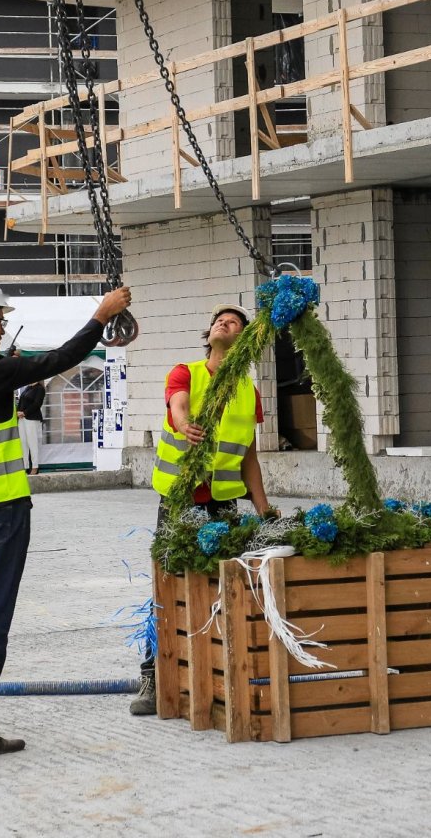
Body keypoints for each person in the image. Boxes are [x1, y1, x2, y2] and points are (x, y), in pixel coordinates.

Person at [0, 277, 132, 759]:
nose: (1, 330)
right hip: (0, 510)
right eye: (0, 321)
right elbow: (61, 358)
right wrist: (101, 315)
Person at [133, 303, 271, 716]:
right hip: (181, 500)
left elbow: (248, 456)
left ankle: (218, 674)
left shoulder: (248, 392)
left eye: (233, 322)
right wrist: (183, 423)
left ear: (244, 341)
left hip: (223, 504)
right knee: (168, 584)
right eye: (218, 321)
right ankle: (153, 677)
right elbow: (177, 406)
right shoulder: (186, 373)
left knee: (223, 586)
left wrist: (263, 508)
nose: (223, 324)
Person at [15, 375, 46, 476]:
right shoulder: (27, 388)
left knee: (32, 443)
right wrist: (17, 412)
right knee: (23, 443)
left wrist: (24, 413)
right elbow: (21, 402)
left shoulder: (40, 389)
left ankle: (35, 467)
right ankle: (25, 466)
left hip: (32, 419)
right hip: (22, 419)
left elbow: (37, 404)